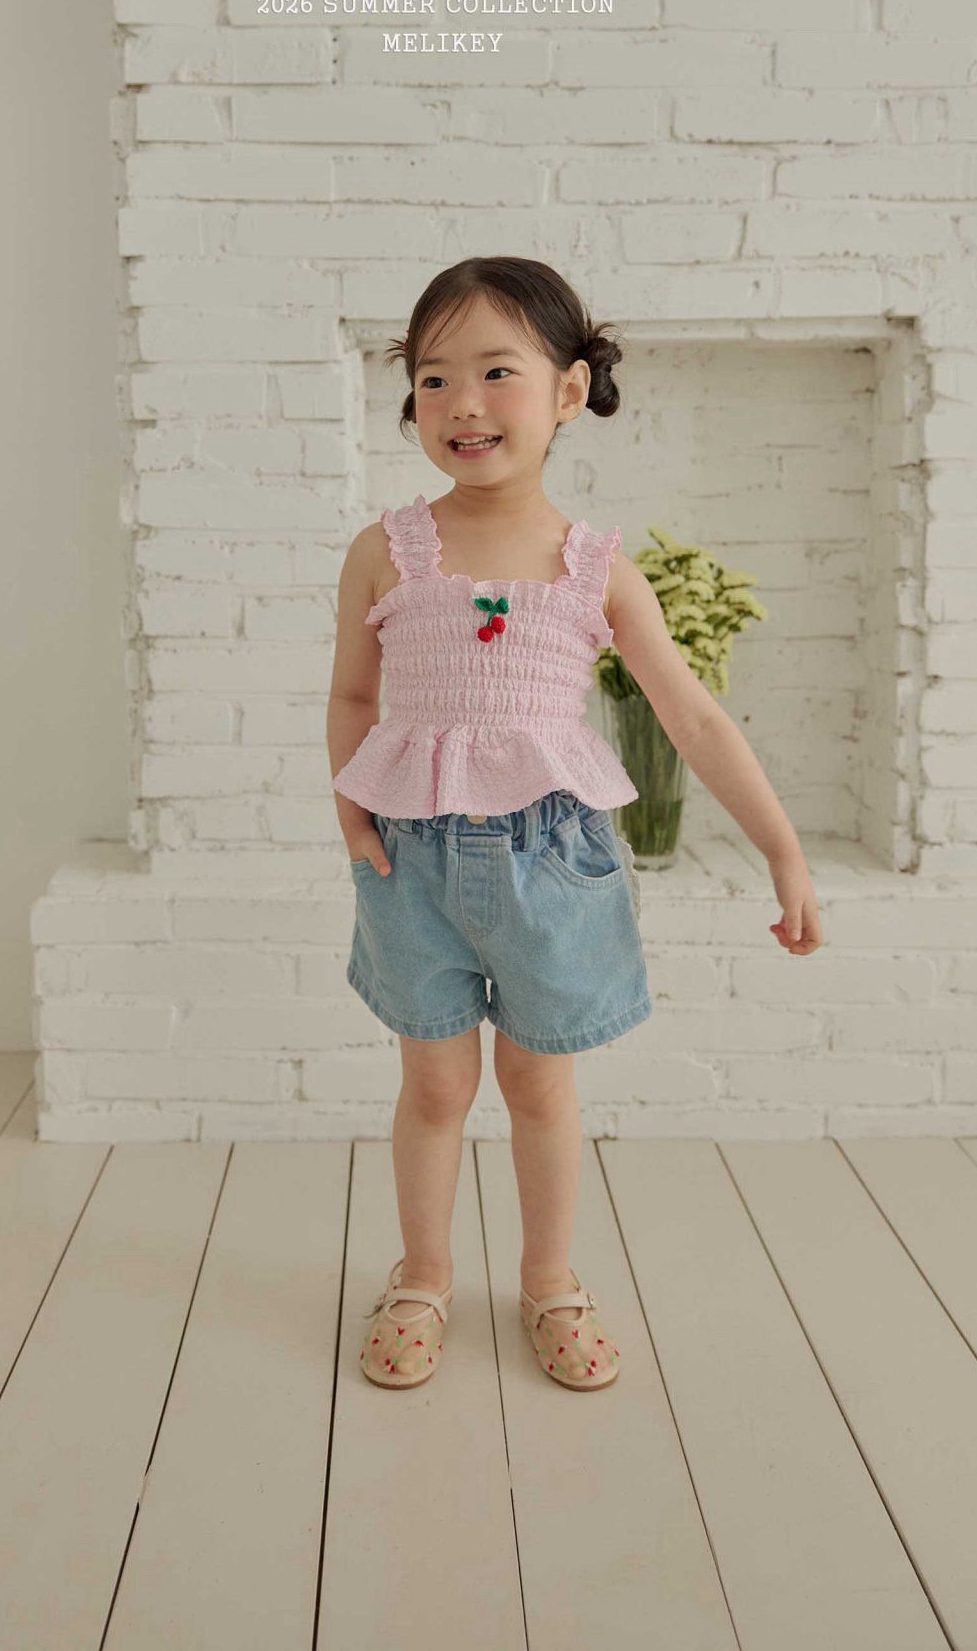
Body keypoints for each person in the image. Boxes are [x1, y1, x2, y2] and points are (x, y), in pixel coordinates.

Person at [327, 256, 823, 1391]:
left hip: (553, 863)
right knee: (434, 1088)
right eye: (433, 377)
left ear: (565, 391)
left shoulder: (595, 567)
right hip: (410, 860)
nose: (462, 401)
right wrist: (354, 821)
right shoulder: (384, 550)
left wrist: (782, 851)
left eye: (496, 372)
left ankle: (548, 1279)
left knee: (538, 1086)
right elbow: (353, 697)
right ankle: (422, 1274)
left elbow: (692, 718)